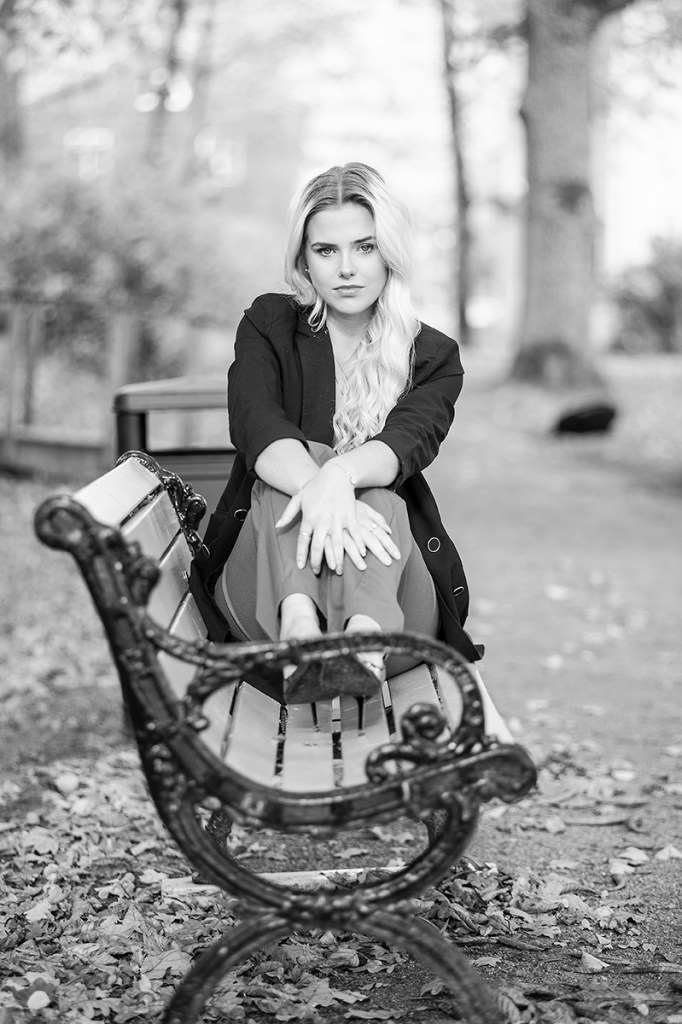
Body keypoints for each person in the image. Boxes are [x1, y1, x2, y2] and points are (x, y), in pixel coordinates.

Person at [190, 161, 483, 705]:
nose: (347, 268)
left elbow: (403, 445)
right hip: (263, 591)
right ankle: (301, 627)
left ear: (389, 252)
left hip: (395, 600)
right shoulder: (270, 326)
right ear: (304, 258)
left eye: (365, 247)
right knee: (294, 470)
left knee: (373, 490)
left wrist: (338, 479)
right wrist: (322, 484)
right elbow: (256, 424)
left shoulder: (434, 357)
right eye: (326, 250)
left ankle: (359, 640)